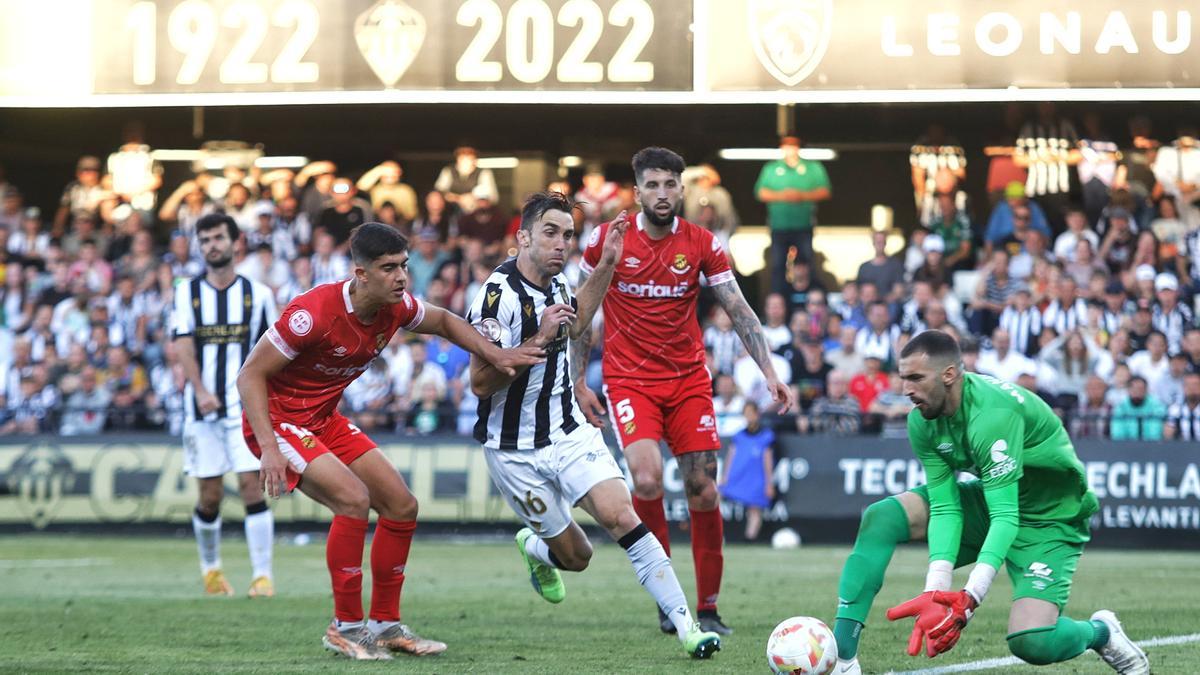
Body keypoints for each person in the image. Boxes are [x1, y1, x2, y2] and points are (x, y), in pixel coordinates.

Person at [237, 222, 543, 660]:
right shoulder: (313, 314)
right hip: (279, 422)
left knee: (402, 506)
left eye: (403, 266)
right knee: (353, 500)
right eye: (388, 268)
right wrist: (268, 448)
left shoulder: (394, 308)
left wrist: (495, 354)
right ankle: (344, 627)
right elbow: (250, 374)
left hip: (323, 420)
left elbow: (442, 320)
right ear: (361, 274)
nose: (401, 277)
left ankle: (384, 625)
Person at [467, 192, 721, 659]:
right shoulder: (496, 296)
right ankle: (537, 548)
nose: (561, 244)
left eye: (568, 235)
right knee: (577, 557)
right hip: (513, 451)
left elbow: (579, 320)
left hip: (568, 431)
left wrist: (607, 263)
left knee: (623, 516)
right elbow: (481, 383)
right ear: (522, 237)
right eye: (550, 233)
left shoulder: (560, 285)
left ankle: (689, 628)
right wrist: (540, 337)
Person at [830, 330, 1149, 675]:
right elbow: (945, 506)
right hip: (995, 498)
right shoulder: (921, 420)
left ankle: (1101, 632)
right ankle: (842, 661)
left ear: (949, 374)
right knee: (882, 518)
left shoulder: (992, 415)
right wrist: (936, 591)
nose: (906, 389)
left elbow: (1006, 518)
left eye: (916, 378)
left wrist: (968, 599)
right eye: (903, 377)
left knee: (1033, 642)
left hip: (1050, 519)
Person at [574, 146, 795, 636]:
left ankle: (709, 608)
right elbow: (584, 315)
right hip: (630, 380)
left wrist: (770, 373)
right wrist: (576, 382)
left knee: (703, 489)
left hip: (689, 381)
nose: (662, 193)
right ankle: (669, 600)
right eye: (652, 185)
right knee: (647, 481)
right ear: (637, 193)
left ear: (682, 190)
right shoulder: (606, 241)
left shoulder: (702, 242)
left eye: (670, 185)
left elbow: (738, 310)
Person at [172, 214, 278, 598]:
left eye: (218, 237)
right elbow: (182, 343)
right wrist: (199, 388)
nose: (212, 245)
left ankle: (262, 576)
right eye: (205, 239)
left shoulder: (259, 294)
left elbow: (274, 350)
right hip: (201, 410)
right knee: (210, 494)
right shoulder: (187, 292)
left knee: (252, 487)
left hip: (246, 410)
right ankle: (211, 570)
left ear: (236, 242)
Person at [755, 135, 832, 294]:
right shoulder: (771, 168)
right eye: (786, 146)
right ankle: (779, 299)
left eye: (793, 145)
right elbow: (760, 192)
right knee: (777, 266)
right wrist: (783, 196)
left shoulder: (813, 168)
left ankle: (809, 298)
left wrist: (802, 196)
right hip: (779, 226)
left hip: (803, 226)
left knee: (806, 264)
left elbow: (825, 191)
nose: (789, 149)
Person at [718, 401, 775, 541]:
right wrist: (725, 476)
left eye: (751, 413)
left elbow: (768, 460)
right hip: (738, 474)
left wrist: (769, 482)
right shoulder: (738, 436)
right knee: (716, 497)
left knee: (755, 508)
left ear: (757, 414)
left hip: (756, 475)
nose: (749, 416)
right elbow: (731, 456)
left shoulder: (767, 436)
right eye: (746, 413)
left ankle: (750, 539)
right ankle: (715, 534)